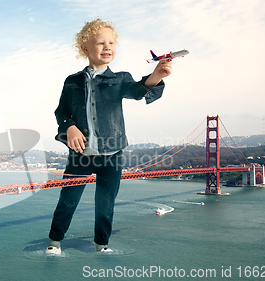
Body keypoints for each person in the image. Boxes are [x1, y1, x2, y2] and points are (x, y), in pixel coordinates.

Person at [45, 18, 172, 254]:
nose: (107, 47)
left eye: (111, 43)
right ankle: (54, 242)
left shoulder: (120, 78)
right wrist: (69, 126)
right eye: (100, 42)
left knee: (105, 204)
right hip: (80, 156)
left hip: (111, 155)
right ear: (85, 48)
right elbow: (61, 112)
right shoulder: (72, 82)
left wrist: (157, 74)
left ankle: (101, 244)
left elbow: (138, 90)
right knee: (67, 201)